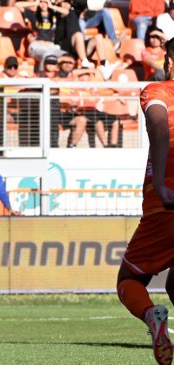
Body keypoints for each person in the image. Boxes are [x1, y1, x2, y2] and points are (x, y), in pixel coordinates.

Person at [117, 37, 174, 365]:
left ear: (169, 61)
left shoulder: (158, 91)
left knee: (129, 279)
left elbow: (157, 124)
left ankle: (152, 316)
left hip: (165, 205)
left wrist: (160, 180)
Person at [15, 0, 67, 68]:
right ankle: (42, 74)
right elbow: (17, 5)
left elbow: (66, 12)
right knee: (47, 55)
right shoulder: (34, 15)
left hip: (51, 46)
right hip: (37, 46)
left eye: (45, 2)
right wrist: (34, 3)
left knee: (66, 56)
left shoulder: (54, 16)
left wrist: (51, 6)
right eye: (41, 2)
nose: (43, 4)